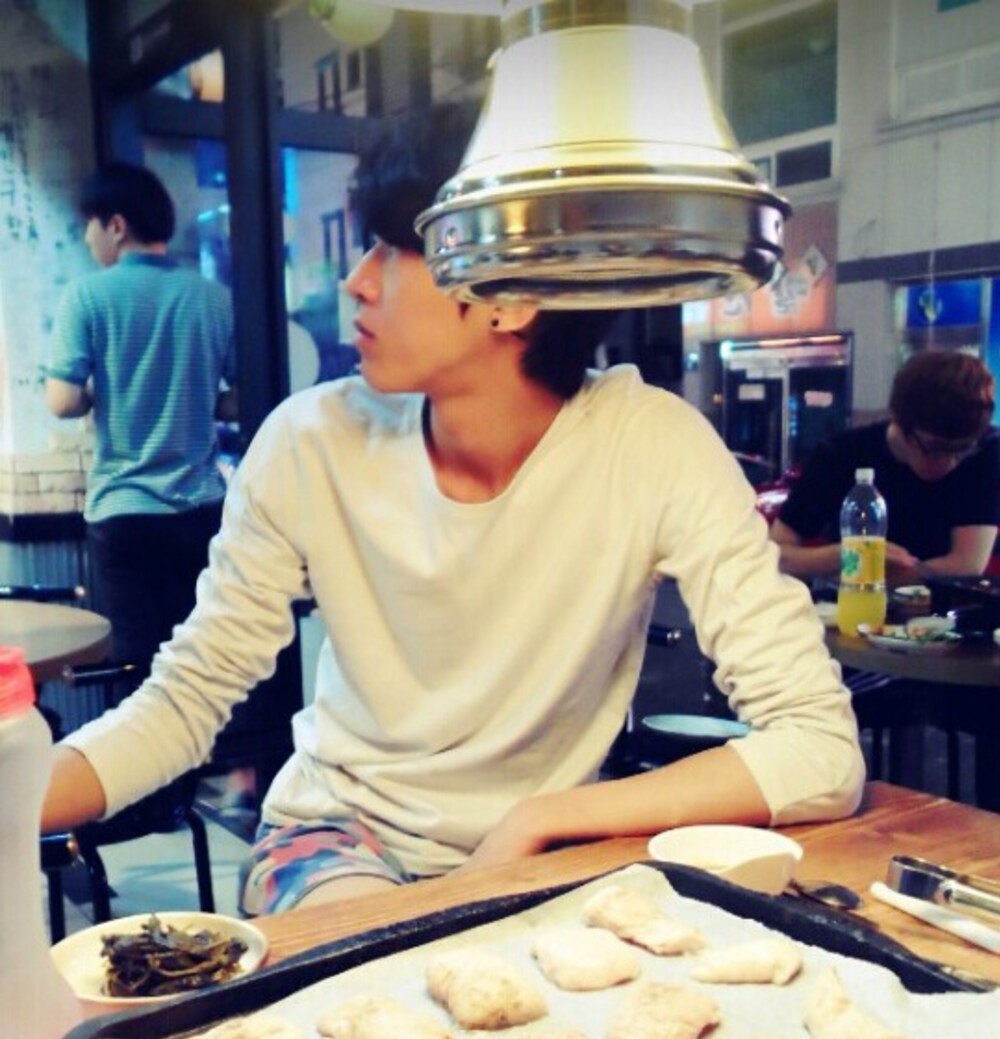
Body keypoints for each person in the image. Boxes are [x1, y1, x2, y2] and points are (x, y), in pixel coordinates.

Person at [41, 104, 864, 914]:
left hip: (539, 856)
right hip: (336, 837)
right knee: (389, 969)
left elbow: (820, 746)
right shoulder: (311, 442)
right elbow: (187, 701)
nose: (357, 280)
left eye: (395, 250)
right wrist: (18, 795)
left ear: (511, 296)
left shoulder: (651, 445)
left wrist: (548, 817)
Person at [44, 161, 237, 670]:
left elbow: (61, 401)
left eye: (89, 223)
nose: (87, 237)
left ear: (116, 225)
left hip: (124, 511)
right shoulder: (214, 298)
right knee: (201, 661)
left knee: (139, 666)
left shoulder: (87, 296)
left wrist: (97, 395)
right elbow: (243, 398)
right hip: (199, 509)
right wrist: (196, 396)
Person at [770, 350, 998, 586]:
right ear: (898, 420)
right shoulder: (842, 454)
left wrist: (876, 578)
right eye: (934, 448)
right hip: (853, 603)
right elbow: (777, 555)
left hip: (946, 606)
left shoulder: (986, 451)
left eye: (961, 451)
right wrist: (850, 554)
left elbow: (967, 564)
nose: (949, 463)